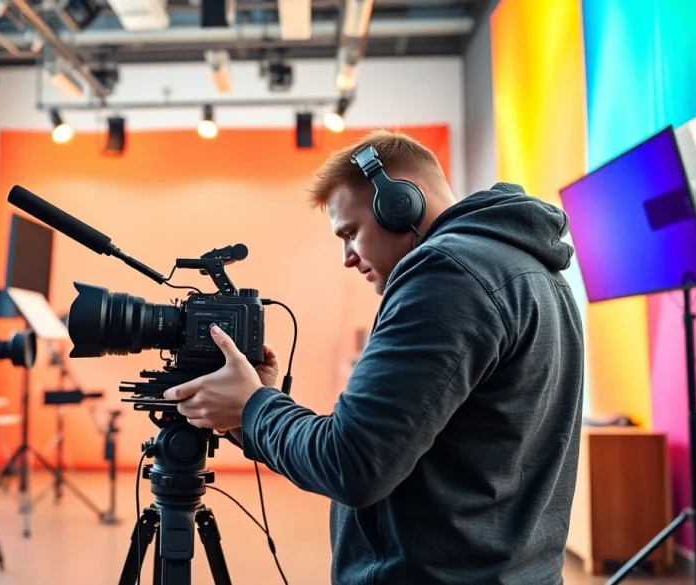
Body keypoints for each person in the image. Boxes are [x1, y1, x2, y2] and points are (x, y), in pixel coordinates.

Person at [163, 129, 586, 584]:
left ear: (400, 201)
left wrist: (253, 407)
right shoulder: (533, 271)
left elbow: (352, 465)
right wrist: (255, 405)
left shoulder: (448, 273)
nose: (347, 257)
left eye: (350, 232)